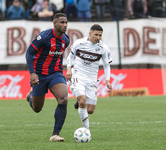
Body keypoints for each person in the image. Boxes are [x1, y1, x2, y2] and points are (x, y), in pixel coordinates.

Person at [25, 13, 70, 142]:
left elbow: (58, 56)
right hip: (39, 75)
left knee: (63, 98)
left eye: (66, 22)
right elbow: (29, 53)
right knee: (37, 109)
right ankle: (31, 97)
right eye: (62, 22)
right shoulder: (43, 37)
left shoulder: (66, 40)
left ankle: (55, 134)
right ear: (55, 23)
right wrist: (33, 73)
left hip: (55, 73)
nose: (65, 25)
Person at [66, 24, 112, 132]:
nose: (98, 38)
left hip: (91, 79)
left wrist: (108, 81)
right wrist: (68, 69)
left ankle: (79, 103)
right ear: (90, 33)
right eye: (96, 35)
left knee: (90, 110)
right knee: (83, 101)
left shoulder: (103, 48)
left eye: (100, 35)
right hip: (78, 75)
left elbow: (106, 65)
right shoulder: (79, 43)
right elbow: (70, 56)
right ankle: (86, 131)